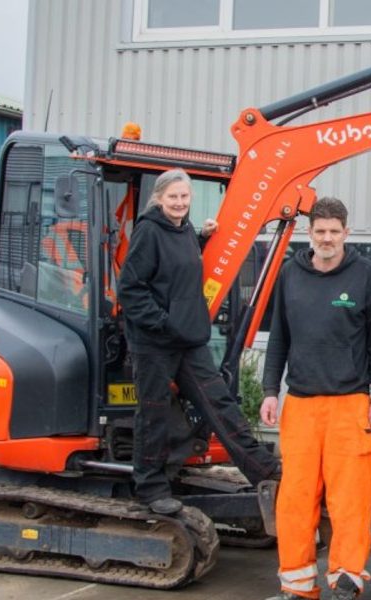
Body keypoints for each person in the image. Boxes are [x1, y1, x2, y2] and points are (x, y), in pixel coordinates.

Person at [117, 168, 279, 515]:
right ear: (159, 199)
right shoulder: (148, 232)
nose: (179, 202)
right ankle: (151, 488)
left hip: (187, 338)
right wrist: (162, 323)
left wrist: (204, 239)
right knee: (154, 413)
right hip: (155, 343)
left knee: (219, 403)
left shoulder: (184, 230)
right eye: (173, 197)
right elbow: (130, 290)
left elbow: (178, 269)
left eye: (184, 196)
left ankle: (266, 471)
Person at [260, 197, 371, 600]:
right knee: (295, 501)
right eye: (320, 232)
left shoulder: (366, 275)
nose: (327, 238)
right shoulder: (289, 275)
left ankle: (345, 580)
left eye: (335, 231)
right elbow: (279, 337)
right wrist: (269, 390)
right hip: (299, 405)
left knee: (350, 499)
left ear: (346, 233)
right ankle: (297, 586)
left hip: (350, 404)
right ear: (309, 234)